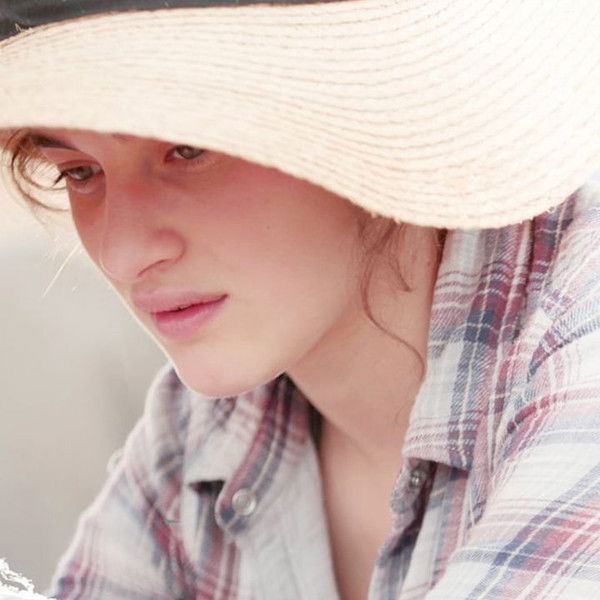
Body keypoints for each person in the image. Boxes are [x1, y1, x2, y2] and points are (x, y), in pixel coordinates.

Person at [2, 1, 600, 599]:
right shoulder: (210, 428)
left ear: (359, 121)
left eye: (187, 149)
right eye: (78, 172)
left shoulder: (579, 339)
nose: (121, 255)